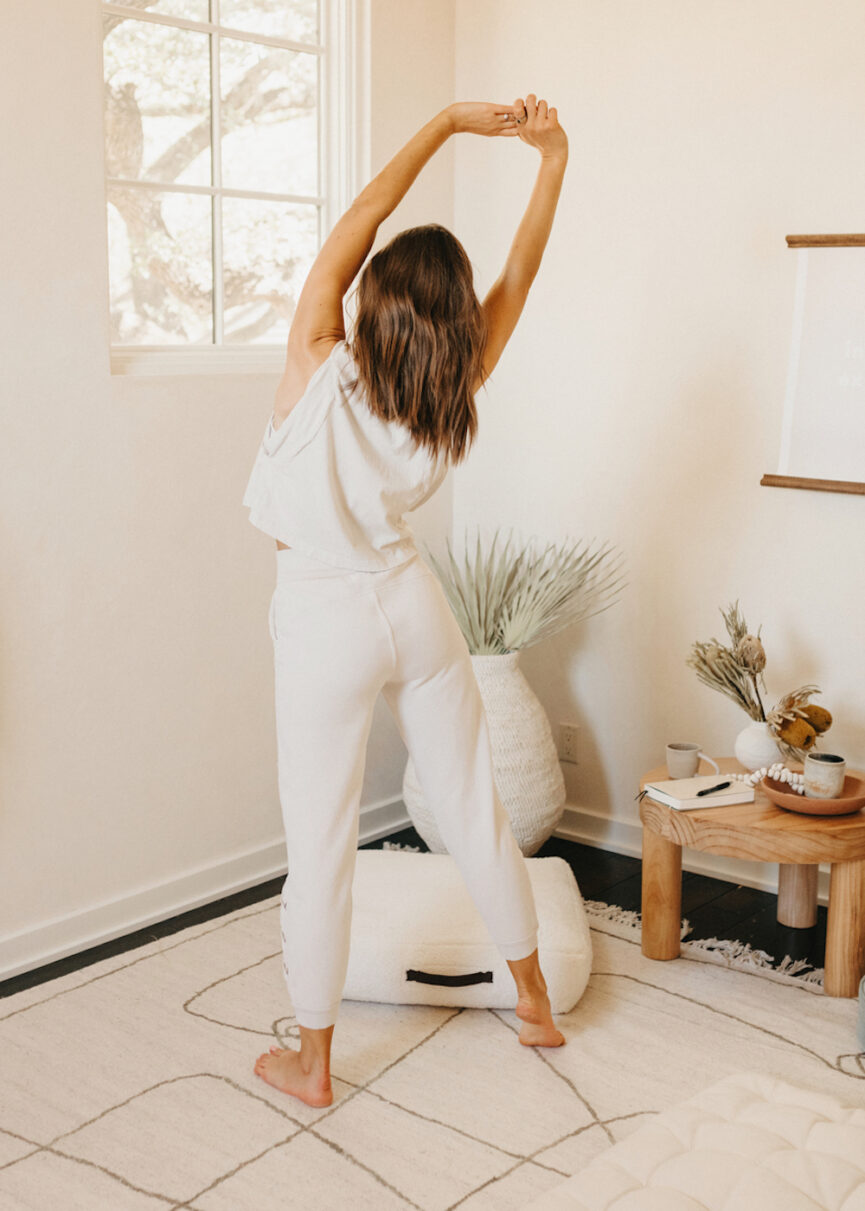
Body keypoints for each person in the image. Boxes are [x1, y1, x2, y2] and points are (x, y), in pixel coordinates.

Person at [243, 94, 569, 1107]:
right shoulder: (454, 384)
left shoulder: (316, 362)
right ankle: (534, 1004)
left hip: (323, 615)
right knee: (475, 799)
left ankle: (316, 1061)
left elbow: (362, 217)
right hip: (409, 599)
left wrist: (441, 126)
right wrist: (551, 158)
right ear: (455, 321)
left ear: (372, 301)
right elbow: (521, 272)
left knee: (323, 840)